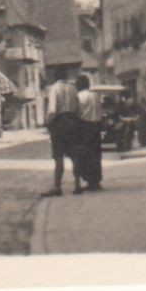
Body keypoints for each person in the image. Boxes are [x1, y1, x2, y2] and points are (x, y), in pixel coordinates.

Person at [42, 69, 82, 197]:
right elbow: (78, 108)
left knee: (59, 156)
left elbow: (52, 110)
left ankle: (57, 187)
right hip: (73, 122)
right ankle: (77, 185)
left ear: (54, 77)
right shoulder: (73, 88)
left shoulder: (54, 88)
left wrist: (48, 122)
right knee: (75, 156)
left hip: (60, 123)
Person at [74, 75, 103, 192]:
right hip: (96, 126)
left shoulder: (79, 97)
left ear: (80, 85)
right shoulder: (96, 96)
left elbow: (77, 112)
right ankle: (96, 180)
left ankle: (90, 180)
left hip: (84, 127)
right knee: (96, 154)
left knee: (85, 154)